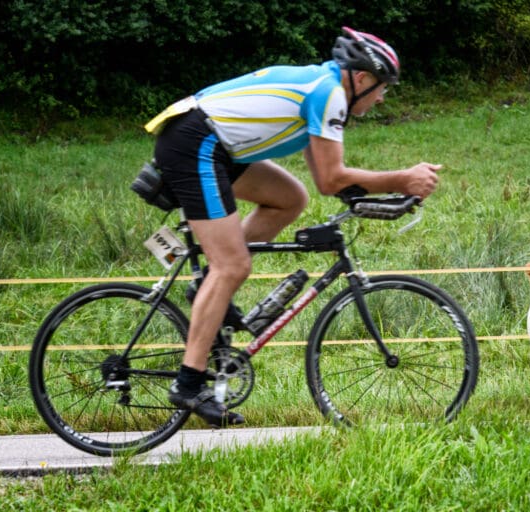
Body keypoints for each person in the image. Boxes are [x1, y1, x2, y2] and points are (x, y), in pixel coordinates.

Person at [144, 26, 442, 427]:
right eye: (382, 86)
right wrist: (402, 179)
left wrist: (373, 197)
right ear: (362, 78)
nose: (383, 96)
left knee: (291, 198)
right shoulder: (330, 93)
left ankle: (209, 286)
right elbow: (335, 177)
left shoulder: (324, 88)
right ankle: (188, 382)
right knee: (233, 266)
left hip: (215, 145)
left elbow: (324, 183)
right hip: (197, 143)